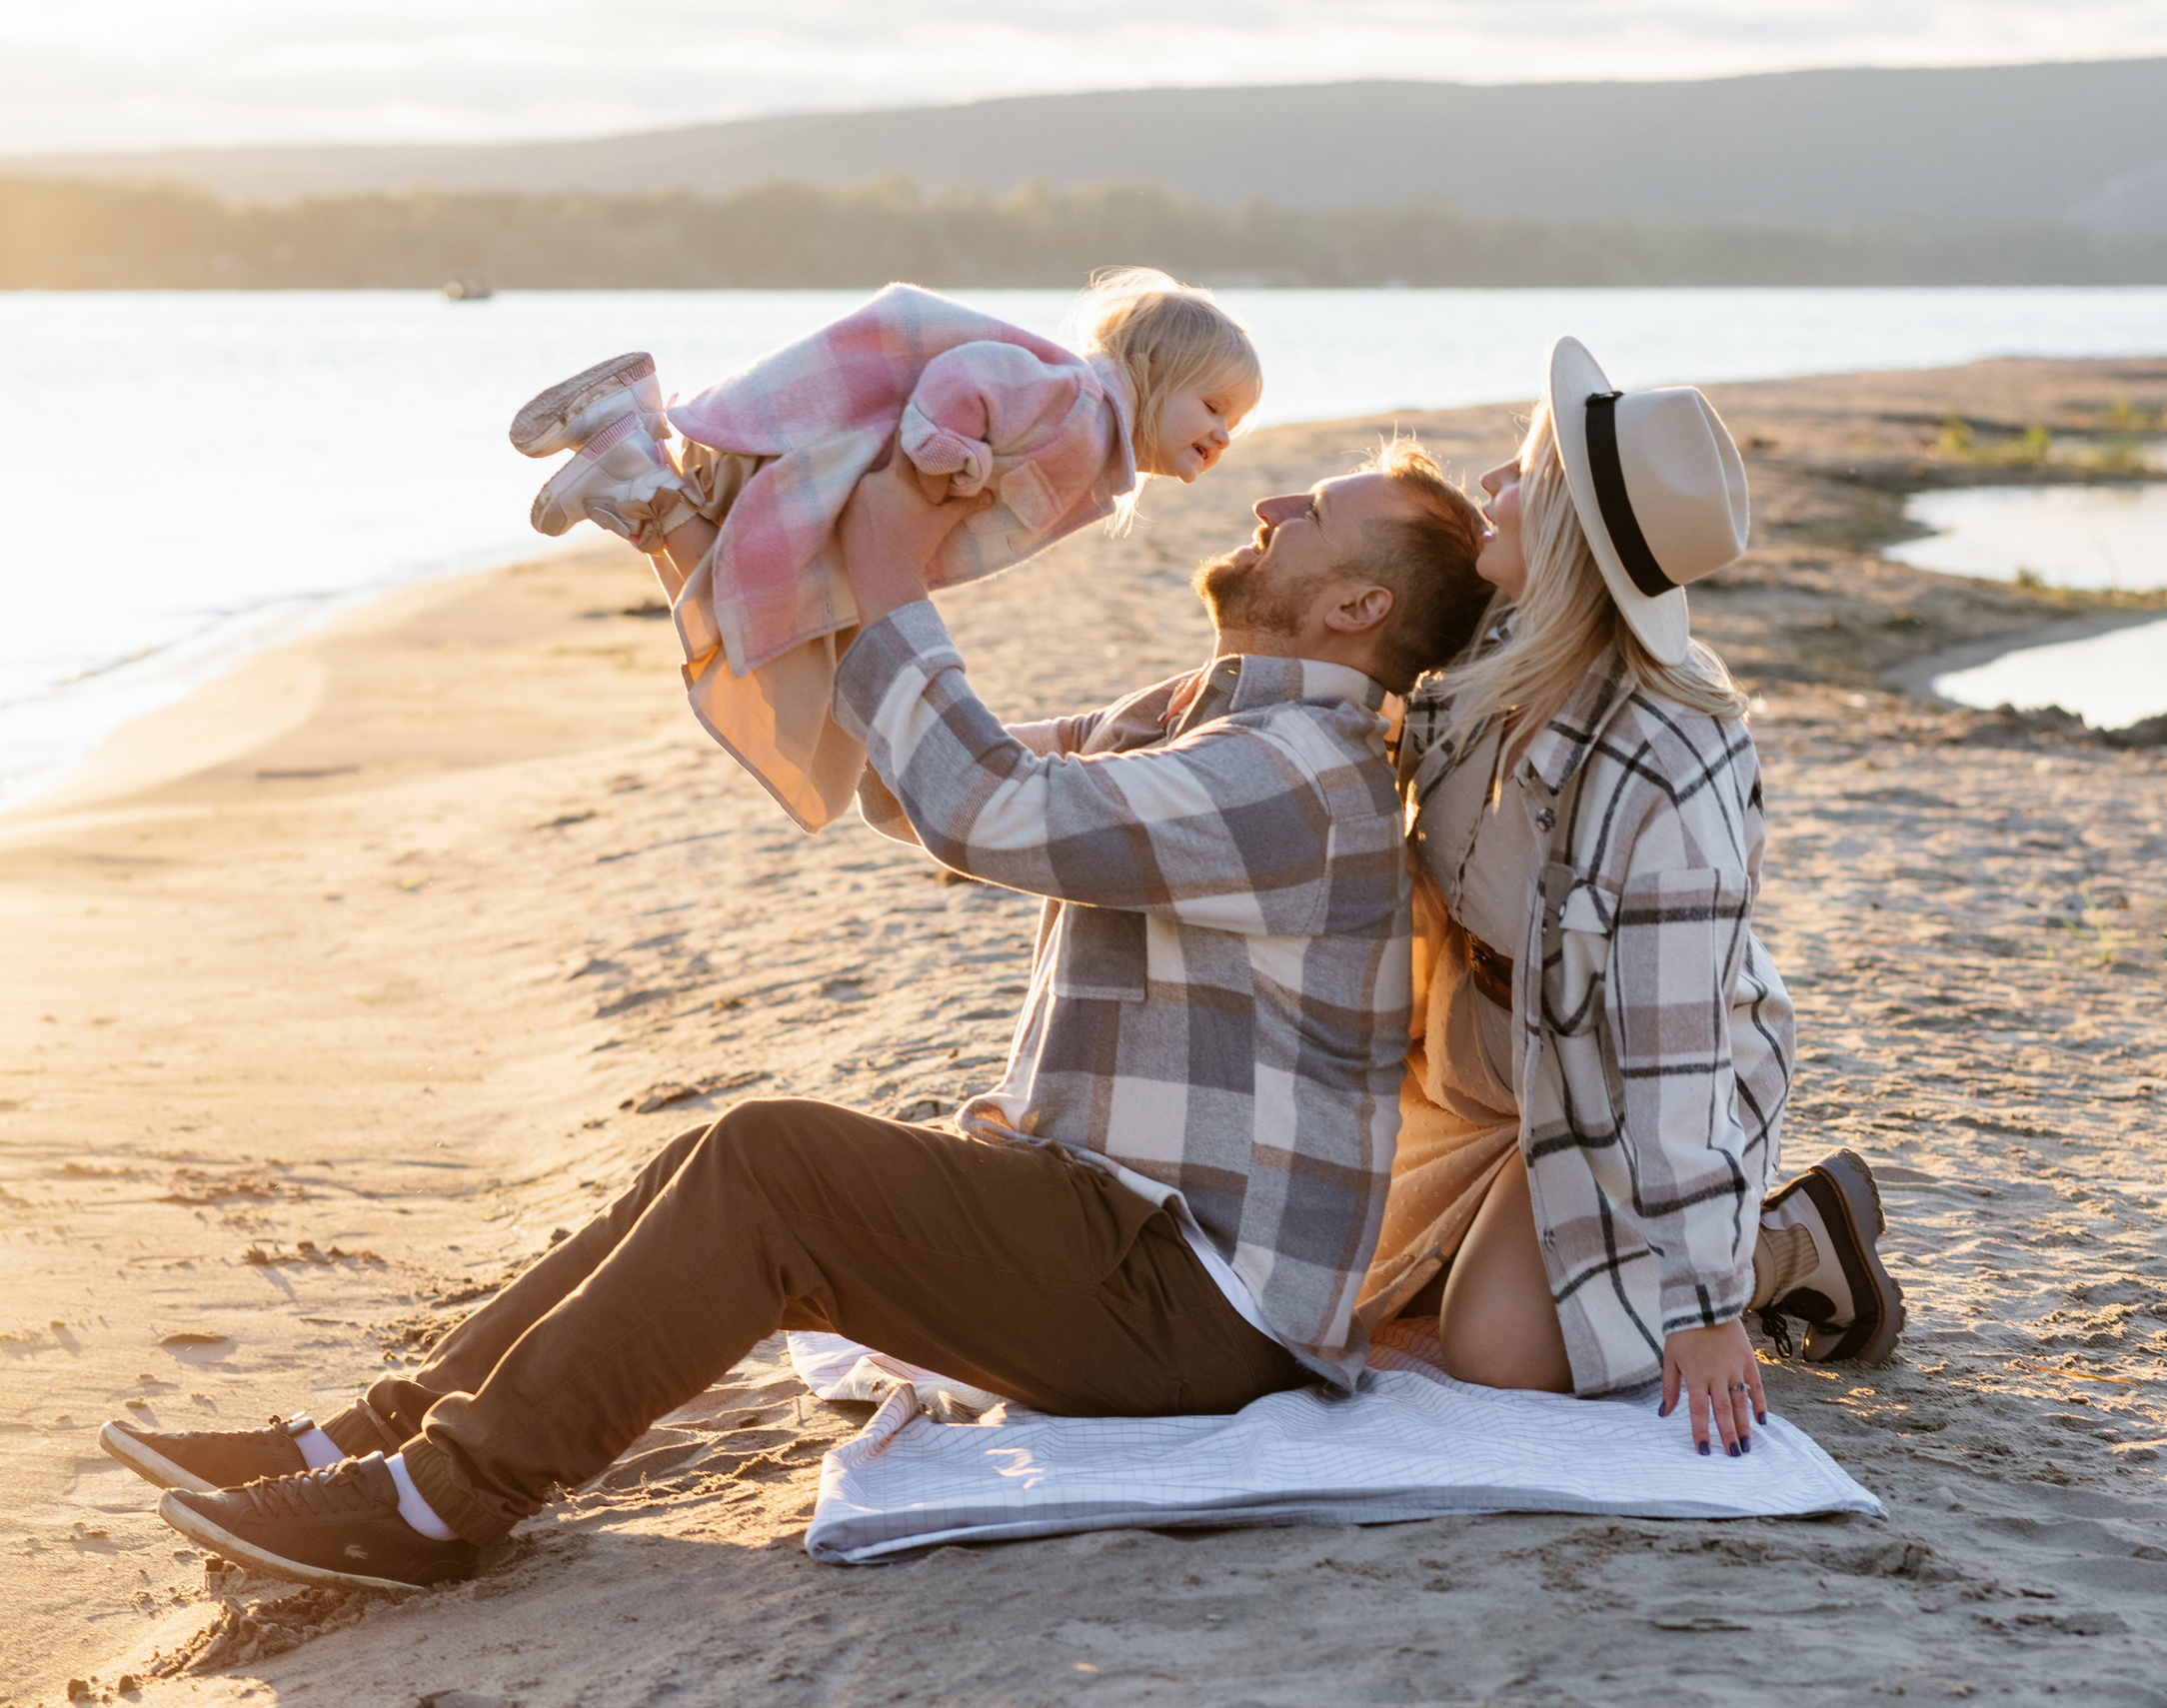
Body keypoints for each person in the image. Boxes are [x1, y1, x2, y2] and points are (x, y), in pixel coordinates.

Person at [100, 437, 1492, 1593]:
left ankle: (436, 1505)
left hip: (1197, 1308)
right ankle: (367, 1435)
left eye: (1316, 513)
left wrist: (876, 566)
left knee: (777, 1164)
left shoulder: (1299, 777)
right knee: (714, 1161)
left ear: (1358, 608)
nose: (1271, 501)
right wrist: (715, 545)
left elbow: (983, 806)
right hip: (1113, 1238)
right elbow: (903, 786)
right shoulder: (1205, 721)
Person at [1357, 339, 1905, 1458]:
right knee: (1346, 1291)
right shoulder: (1483, 651)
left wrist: (1706, 1309)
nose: (1489, 488)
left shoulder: (1669, 767)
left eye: (1519, 472)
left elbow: (1675, 1058)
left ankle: (1792, 1244)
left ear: (1566, 531)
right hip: (1477, 1051)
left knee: (1498, 1349)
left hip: (1611, 1075)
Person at [514, 268, 1263, 831]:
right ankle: (638, 472)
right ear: (1154, 375)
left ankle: (636, 451)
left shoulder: (1090, 439)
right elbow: (968, 375)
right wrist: (942, 448)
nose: (1226, 433)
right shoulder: (1076, 405)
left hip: (846, 517)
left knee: (767, 630)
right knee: (770, 636)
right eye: (1214, 407)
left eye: (1238, 419)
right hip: (841, 491)